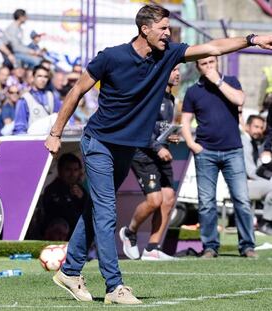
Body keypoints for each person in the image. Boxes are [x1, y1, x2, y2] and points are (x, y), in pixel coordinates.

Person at [45, 4, 272, 305]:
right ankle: (114, 286)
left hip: (126, 148)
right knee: (106, 212)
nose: (168, 33)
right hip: (98, 143)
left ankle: (70, 270)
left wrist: (252, 39)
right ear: (145, 29)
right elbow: (76, 93)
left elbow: (213, 46)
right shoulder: (111, 57)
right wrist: (56, 133)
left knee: (96, 210)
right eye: (163, 28)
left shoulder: (168, 54)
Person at [181, 56, 257, 259]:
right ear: (198, 68)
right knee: (206, 202)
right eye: (204, 64)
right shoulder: (193, 91)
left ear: (217, 63)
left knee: (241, 200)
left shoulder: (231, 81)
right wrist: (191, 144)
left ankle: (247, 246)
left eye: (211, 62)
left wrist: (218, 81)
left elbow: (239, 100)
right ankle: (210, 247)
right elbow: (185, 121)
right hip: (206, 153)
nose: (208, 67)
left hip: (233, 150)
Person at [119, 65, 181, 261]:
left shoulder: (170, 98)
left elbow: (157, 127)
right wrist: (158, 147)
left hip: (159, 152)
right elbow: (140, 127)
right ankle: (129, 232)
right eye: (173, 70)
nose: (177, 73)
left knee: (169, 197)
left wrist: (169, 137)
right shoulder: (150, 96)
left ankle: (152, 248)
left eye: (179, 69)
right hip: (143, 153)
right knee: (155, 201)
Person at [42, 153, 89, 240]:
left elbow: (90, 213)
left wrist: (82, 198)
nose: (72, 174)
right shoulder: (52, 189)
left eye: (76, 170)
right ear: (60, 170)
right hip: (58, 240)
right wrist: (70, 199)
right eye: (68, 170)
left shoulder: (81, 190)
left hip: (78, 238)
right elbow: (55, 213)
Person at [242, 115, 272, 235]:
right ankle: (265, 222)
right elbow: (251, 172)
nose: (259, 131)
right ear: (247, 127)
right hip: (242, 185)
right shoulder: (244, 142)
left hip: (251, 183)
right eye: (256, 127)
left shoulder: (254, 143)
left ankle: (266, 222)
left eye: (261, 128)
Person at [13, 65, 61, 134]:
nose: (43, 79)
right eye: (39, 76)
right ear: (33, 78)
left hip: (49, 139)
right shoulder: (25, 99)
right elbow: (20, 127)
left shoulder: (52, 96)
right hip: (32, 139)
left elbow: (58, 117)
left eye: (45, 77)